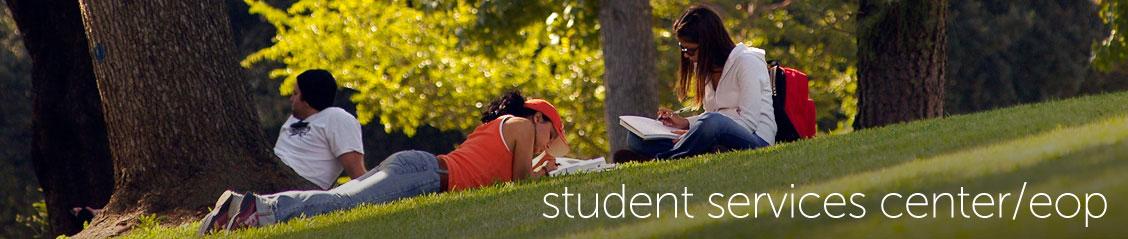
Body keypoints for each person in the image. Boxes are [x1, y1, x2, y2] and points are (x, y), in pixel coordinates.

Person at [198, 91, 569, 234]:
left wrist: (534, 170)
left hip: (419, 166)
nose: (547, 144)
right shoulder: (520, 124)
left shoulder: (500, 128)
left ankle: (233, 211)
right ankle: (257, 209)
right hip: (426, 176)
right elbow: (520, 185)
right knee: (344, 202)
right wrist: (542, 175)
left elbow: (500, 177)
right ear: (539, 119)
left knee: (345, 199)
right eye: (550, 135)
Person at [615, 5, 776, 161]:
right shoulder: (705, 67)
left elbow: (746, 123)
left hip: (755, 140)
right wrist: (685, 123)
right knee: (635, 137)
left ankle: (662, 158)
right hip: (715, 138)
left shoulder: (747, 62)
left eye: (690, 50)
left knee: (712, 122)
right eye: (683, 49)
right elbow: (712, 116)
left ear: (710, 44)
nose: (685, 55)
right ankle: (683, 152)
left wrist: (695, 133)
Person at [274, 69, 367, 190]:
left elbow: (357, 174)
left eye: (295, 94)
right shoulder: (293, 120)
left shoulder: (337, 118)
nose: (291, 99)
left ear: (307, 100)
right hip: (271, 173)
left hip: (297, 188)